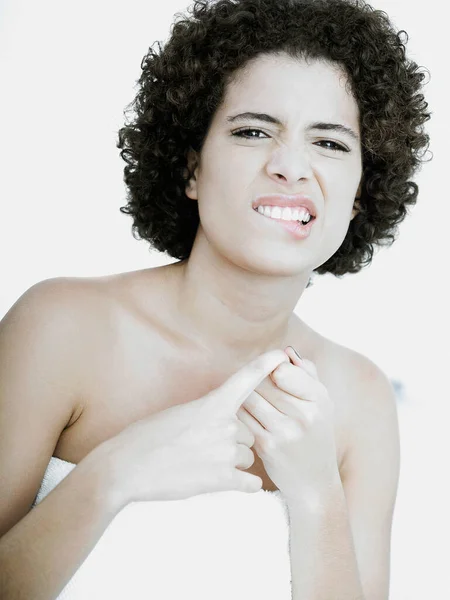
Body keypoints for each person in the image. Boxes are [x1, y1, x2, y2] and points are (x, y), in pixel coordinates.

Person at [0, 0, 431, 598]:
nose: (292, 167)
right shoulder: (60, 328)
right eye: (254, 132)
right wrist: (113, 473)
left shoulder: (360, 396)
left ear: (360, 193)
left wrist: (316, 497)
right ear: (191, 168)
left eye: (330, 144)